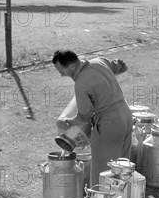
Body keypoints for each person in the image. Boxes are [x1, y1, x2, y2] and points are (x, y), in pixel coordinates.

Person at [52, 49, 132, 185]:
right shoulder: (99, 61)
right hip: (126, 114)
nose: (61, 75)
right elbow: (122, 66)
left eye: (61, 71)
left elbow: (84, 117)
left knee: (103, 170)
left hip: (109, 123)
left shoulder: (81, 84)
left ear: (71, 66)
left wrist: (68, 122)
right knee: (123, 166)